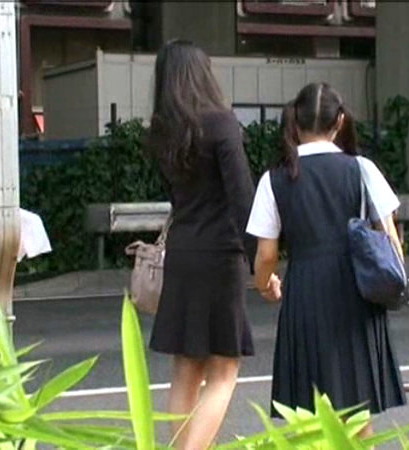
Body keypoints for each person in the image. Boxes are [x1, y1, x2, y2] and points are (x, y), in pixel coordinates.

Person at [246, 82, 407, 433]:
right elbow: (392, 240)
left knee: (308, 405)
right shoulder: (361, 168)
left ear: (296, 120)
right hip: (356, 291)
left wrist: (264, 284)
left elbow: (267, 254)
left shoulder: (274, 179)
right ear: (340, 121)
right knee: (357, 405)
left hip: (304, 291)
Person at [146, 39, 257, 449]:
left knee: (186, 368)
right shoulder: (222, 124)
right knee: (224, 371)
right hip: (220, 256)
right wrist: (262, 261)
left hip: (181, 253)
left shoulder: (163, 132)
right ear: (202, 75)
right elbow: (243, 199)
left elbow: (176, 199)